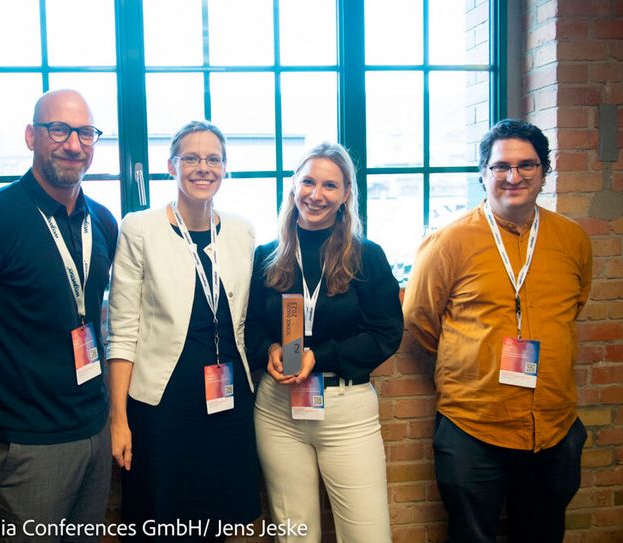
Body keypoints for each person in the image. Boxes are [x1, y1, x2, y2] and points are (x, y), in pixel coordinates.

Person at [0, 89, 118, 542]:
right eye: (59, 130)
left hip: (92, 430)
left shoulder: (103, 221)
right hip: (24, 443)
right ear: (32, 136)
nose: (74, 144)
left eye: (86, 133)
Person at [403, 119, 593, 543]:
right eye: (501, 166)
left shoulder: (573, 240)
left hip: (554, 427)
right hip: (474, 426)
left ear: (546, 170)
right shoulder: (448, 242)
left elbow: (573, 306)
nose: (513, 177)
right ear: (483, 173)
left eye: (527, 165)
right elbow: (420, 318)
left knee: (543, 535)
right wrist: (475, 356)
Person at [107, 121, 260, 542]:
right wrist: (118, 420)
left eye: (213, 158)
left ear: (225, 168)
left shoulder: (242, 231)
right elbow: (121, 331)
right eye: (190, 158)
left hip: (228, 404)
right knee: (161, 523)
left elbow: (249, 319)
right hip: (162, 407)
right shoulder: (139, 228)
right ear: (170, 165)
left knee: (219, 521)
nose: (202, 167)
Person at [245, 142, 403, 542]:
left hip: (346, 410)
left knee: (368, 535)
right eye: (308, 182)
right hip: (278, 412)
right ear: (293, 187)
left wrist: (323, 355)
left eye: (330, 186)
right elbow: (249, 329)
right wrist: (270, 350)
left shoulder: (367, 255)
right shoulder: (267, 255)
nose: (316, 195)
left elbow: (386, 333)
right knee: (295, 535)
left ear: (346, 194)